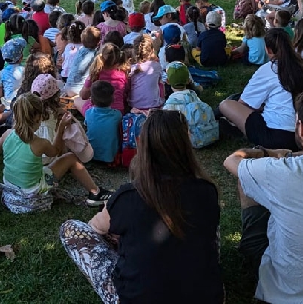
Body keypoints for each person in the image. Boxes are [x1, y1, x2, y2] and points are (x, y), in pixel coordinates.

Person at [60, 109, 223, 303]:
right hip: (207, 298)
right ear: (186, 145)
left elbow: (95, 228)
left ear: (143, 145)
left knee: (70, 229)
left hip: (137, 297)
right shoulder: (207, 190)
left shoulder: (129, 196)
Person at [223, 89, 303, 303]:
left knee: (247, 180)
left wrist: (265, 153)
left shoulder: (285, 171)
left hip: (284, 290)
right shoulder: (289, 168)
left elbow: (231, 161)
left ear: (301, 128)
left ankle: (249, 249)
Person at [0, 92, 111, 211]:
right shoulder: (39, 143)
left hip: (11, 189)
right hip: (31, 192)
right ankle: (95, 193)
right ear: (37, 117)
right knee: (70, 157)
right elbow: (55, 151)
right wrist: (61, 127)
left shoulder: (7, 134)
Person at [219, 28, 303, 150]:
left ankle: (233, 126)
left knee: (226, 104)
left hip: (276, 137)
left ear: (268, 49)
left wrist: (259, 107)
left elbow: (244, 103)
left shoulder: (270, 69)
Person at [76, 43, 129, 116]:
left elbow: (84, 96)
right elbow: (126, 91)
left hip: (97, 113)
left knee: (77, 100)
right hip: (118, 112)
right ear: (118, 60)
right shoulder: (123, 74)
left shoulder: (95, 74)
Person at [85, 81, 122, 164]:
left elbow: (87, 125)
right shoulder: (117, 115)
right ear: (113, 99)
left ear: (92, 100)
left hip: (91, 154)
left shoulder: (88, 113)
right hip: (110, 156)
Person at [129, 34, 164, 111]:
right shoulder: (156, 66)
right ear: (152, 49)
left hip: (135, 106)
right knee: (160, 82)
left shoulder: (132, 68)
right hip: (154, 105)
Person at [65, 26, 100, 97]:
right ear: (98, 42)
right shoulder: (95, 55)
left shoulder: (80, 50)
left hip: (68, 86)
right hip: (80, 90)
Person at [0, 38, 27, 109]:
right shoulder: (25, 70)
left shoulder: (2, 73)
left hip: (7, 105)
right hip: (22, 104)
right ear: (21, 57)